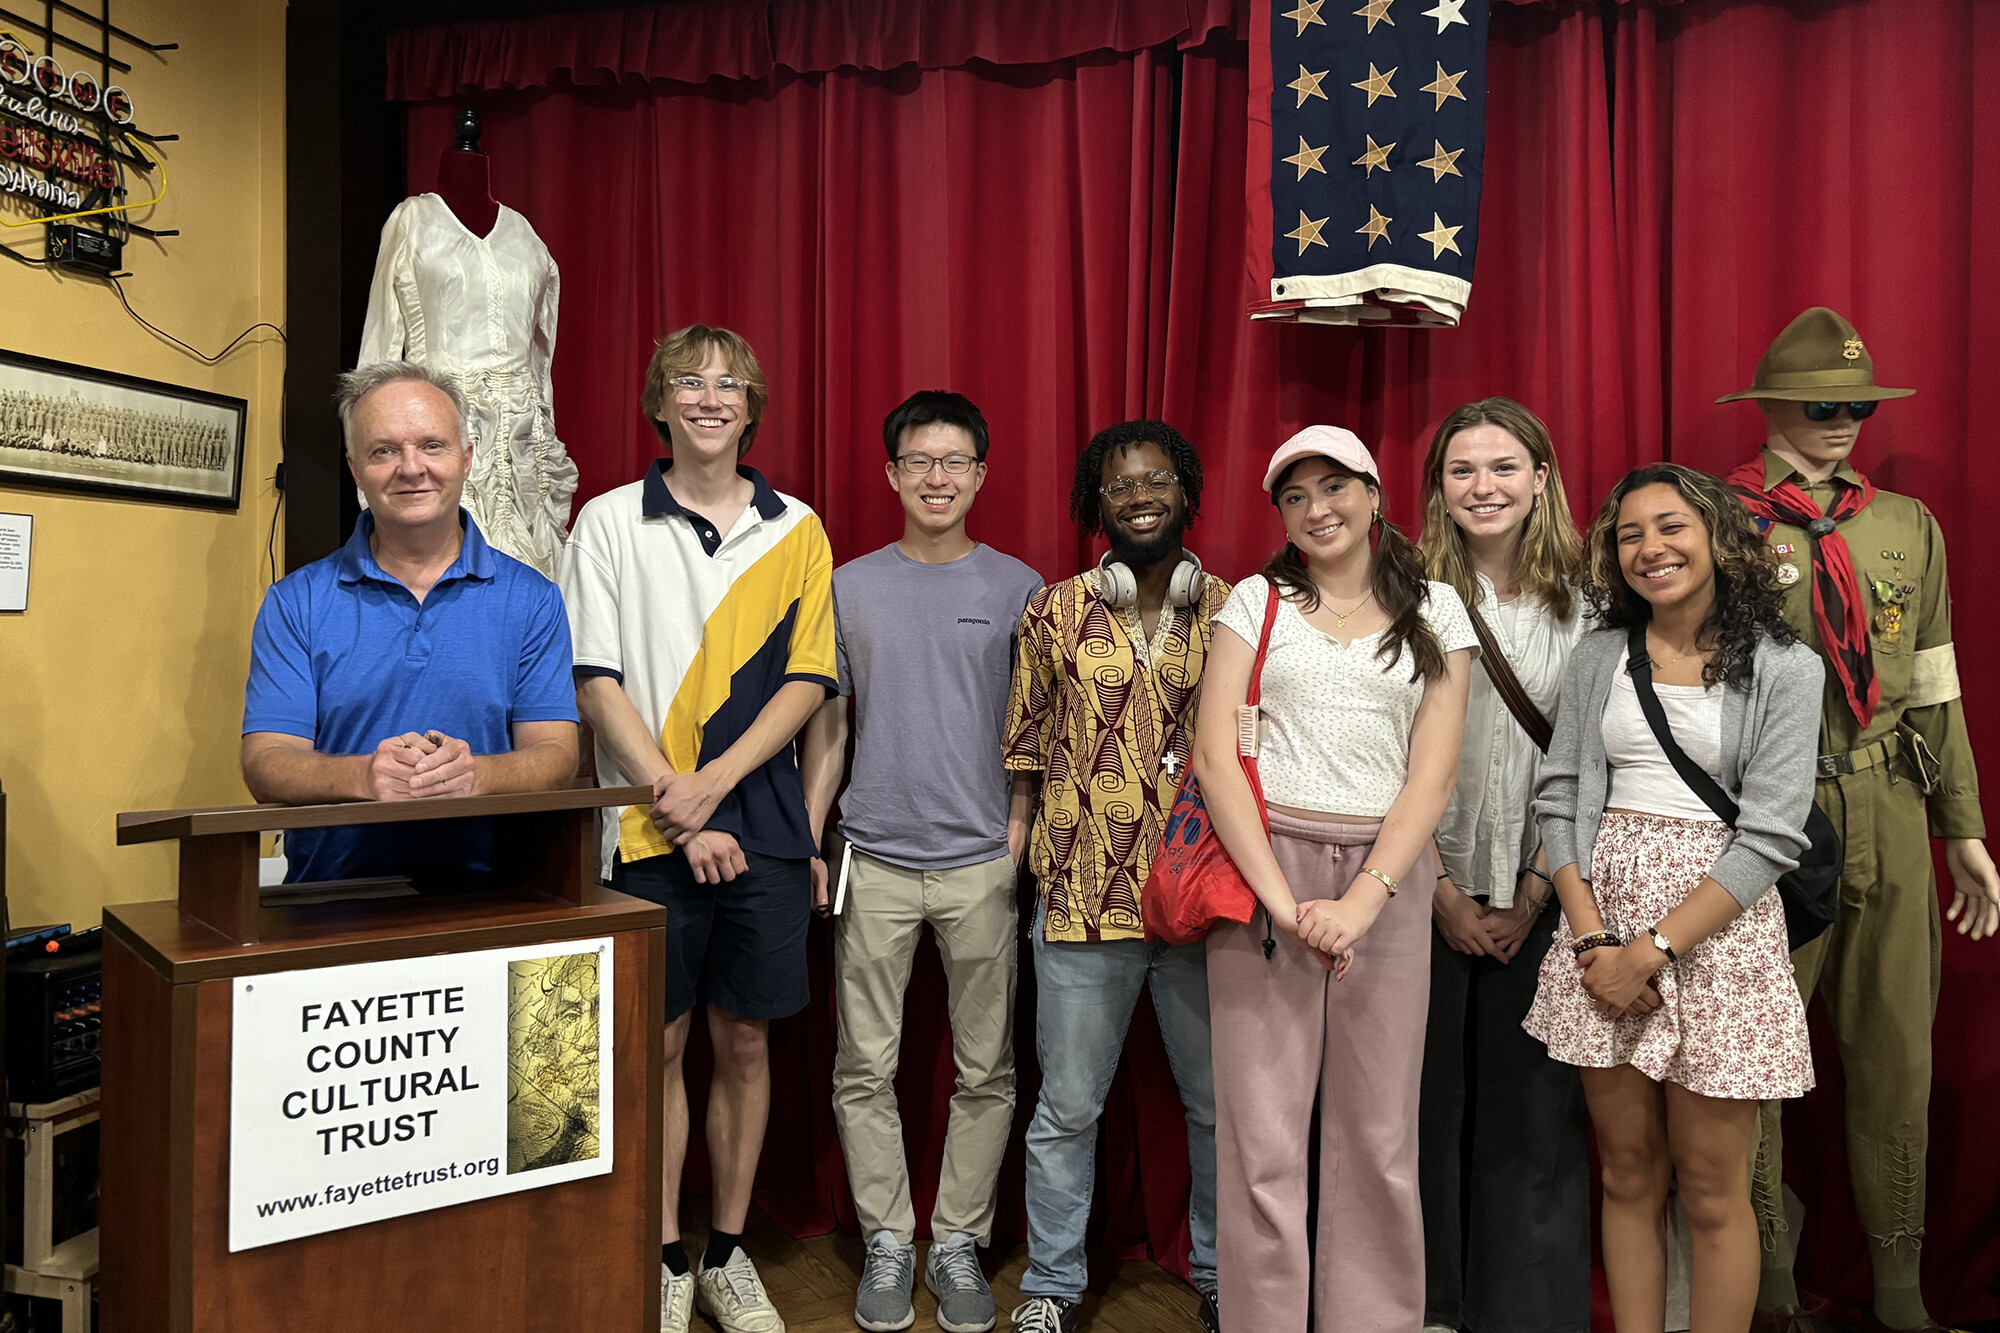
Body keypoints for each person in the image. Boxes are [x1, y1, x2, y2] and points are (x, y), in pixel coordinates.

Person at [1716, 308, 1999, 1333]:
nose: (1842, 423)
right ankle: (1765, 1287)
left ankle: (1897, 1290)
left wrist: (1959, 828)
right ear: (1769, 409)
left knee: (1895, 1058)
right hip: (1767, 817)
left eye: (1858, 406)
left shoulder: (1900, 526)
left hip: (1888, 793)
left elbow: (1932, 680)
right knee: (1748, 1061)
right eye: (1821, 404)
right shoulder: (1715, 520)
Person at [558, 324, 836, 1333]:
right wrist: (672, 806)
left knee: (747, 1042)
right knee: (660, 1046)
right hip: (641, 834)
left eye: (730, 383)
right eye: (689, 379)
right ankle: (663, 1251)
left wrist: (709, 786)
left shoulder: (796, 527)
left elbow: (809, 680)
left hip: (757, 828)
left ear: (752, 404)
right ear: (660, 399)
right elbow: (596, 679)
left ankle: (726, 1251)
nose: (710, 396)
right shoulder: (604, 523)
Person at [1524, 463, 1822, 1333]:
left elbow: (1770, 833)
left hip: (1717, 929)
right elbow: (1561, 794)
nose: (1650, 548)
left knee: (1712, 1187)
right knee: (1625, 1171)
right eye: (1629, 535)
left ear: (1718, 538)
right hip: (1601, 919)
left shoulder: (1783, 667)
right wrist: (1591, 945)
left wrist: (1650, 950)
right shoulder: (1597, 656)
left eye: (1671, 527)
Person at [1195, 425, 1476, 1332]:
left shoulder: (1438, 609)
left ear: (1375, 491)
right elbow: (1214, 757)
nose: (1319, 509)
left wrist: (1361, 901)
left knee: (1379, 1137)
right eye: (1296, 496)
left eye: (1336, 487)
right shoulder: (1255, 601)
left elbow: (1433, 772)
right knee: (1263, 1135)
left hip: (1388, 881)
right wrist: (1283, 903)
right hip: (1263, 875)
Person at [798, 390, 1043, 1333]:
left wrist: (1015, 844)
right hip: (876, 858)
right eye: (919, 462)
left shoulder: (1021, 588)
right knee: (865, 1063)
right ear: (893, 473)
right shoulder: (849, 585)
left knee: (987, 1067)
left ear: (980, 474)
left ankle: (960, 1242)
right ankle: (888, 1239)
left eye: (956, 462)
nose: (938, 479)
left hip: (983, 858)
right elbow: (829, 721)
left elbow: (1033, 735)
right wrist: (816, 837)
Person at [1001, 421, 1228, 1333]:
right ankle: (1052, 1287)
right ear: (1094, 502)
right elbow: (1024, 751)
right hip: (1081, 900)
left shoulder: (1238, 609)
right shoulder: (1052, 610)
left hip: (1203, 901)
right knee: (1065, 1109)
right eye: (1119, 482)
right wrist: (1016, 867)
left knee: (1217, 1111)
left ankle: (1220, 1275)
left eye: (1158, 478)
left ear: (1187, 490)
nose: (1140, 494)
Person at [241, 361, 579, 885]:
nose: (411, 467)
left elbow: (557, 756)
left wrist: (476, 774)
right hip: (330, 904)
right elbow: (265, 763)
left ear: (467, 460)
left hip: (502, 898)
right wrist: (364, 775)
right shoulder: (296, 603)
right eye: (384, 451)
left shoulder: (533, 600)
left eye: (432, 445)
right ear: (355, 470)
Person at [1413, 399, 1592, 1333]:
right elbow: (1378, 752)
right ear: (1438, 487)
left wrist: (1532, 890)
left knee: (1534, 1115)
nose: (1483, 487)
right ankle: (1426, 1303)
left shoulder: (1592, 605)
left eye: (1503, 467)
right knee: (1417, 1109)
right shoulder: (1401, 592)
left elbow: (1591, 759)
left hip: (1549, 889)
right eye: (1462, 470)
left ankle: (1525, 1310)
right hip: (1414, 889)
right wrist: (1438, 887)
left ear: (1541, 479)